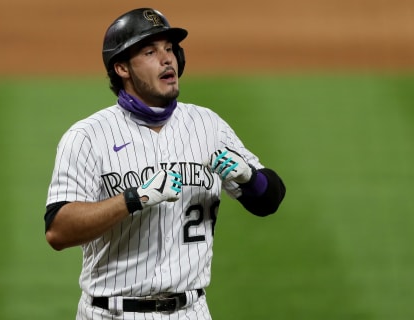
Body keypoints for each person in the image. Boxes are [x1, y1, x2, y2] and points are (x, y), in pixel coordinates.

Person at [44, 7, 286, 320]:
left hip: (191, 311)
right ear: (122, 68)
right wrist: (134, 198)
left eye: (169, 49)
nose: (167, 58)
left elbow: (269, 201)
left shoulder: (207, 126)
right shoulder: (88, 136)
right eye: (150, 51)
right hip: (112, 313)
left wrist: (250, 178)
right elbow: (58, 231)